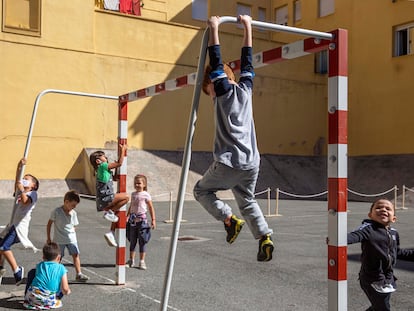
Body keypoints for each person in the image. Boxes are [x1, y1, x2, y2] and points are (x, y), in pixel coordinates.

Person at [193, 15, 274, 262]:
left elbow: (215, 58)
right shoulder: (245, 89)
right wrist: (248, 25)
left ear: (216, 83)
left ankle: (229, 219)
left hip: (229, 161)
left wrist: (214, 27)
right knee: (247, 199)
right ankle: (264, 238)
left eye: (209, 93)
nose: (210, 97)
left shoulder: (223, 92)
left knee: (200, 191)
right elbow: (248, 63)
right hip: (251, 163)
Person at [347, 198, 414, 311]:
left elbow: (397, 252)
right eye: (378, 207)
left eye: (388, 209)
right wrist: (337, 239)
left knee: (378, 306)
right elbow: (355, 235)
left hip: (388, 278)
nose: (383, 209)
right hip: (371, 279)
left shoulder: (393, 233)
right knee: (382, 308)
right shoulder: (368, 229)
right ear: (370, 215)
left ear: (394, 218)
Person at [0, 158, 40, 285]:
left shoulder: (32, 194)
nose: (24, 179)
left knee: (3, 247)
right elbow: (17, 182)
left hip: (19, 227)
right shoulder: (20, 192)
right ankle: (1, 268)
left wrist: (22, 189)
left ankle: (17, 270)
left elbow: (24, 201)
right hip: (12, 225)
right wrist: (19, 167)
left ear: (33, 185)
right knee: (0, 245)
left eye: (27, 179)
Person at [89, 144, 129, 247]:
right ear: (98, 161)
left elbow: (115, 178)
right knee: (126, 197)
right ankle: (109, 212)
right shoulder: (102, 166)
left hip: (104, 200)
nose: (106, 157)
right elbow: (120, 163)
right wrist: (123, 150)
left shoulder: (102, 170)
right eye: (104, 156)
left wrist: (115, 167)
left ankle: (111, 232)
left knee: (115, 215)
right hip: (107, 198)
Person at [46, 190, 89, 282]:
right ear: (66, 202)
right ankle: (53, 274)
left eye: (75, 206)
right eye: (73, 205)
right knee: (57, 257)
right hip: (59, 240)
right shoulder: (56, 212)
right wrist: (48, 238)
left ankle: (79, 274)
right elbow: (49, 224)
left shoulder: (73, 213)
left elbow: (74, 225)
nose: (74, 207)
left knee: (75, 255)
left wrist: (72, 231)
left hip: (71, 239)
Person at [23, 242, 71, 310]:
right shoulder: (61, 268)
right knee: (60, 279)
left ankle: (26, 296)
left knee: (32, 272)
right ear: (59, 257)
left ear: (43, 257)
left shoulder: (40, 265)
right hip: (49, 301)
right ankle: (56, 298)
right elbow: (65, 289)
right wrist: (68, 291)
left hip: (32, 298)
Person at [126, 174, 156, 270]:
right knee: (132, 241)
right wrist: (127, 215)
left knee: (142, 241)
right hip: (133, 221)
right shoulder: (133, 194)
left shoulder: (146, 195)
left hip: (142, 221)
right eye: (135, 183)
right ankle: (131, 259)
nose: (137, 185)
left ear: (144, 184)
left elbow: (151, 207)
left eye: (139, 183)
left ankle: (142, 261)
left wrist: (153, 220)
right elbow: (131, 206)